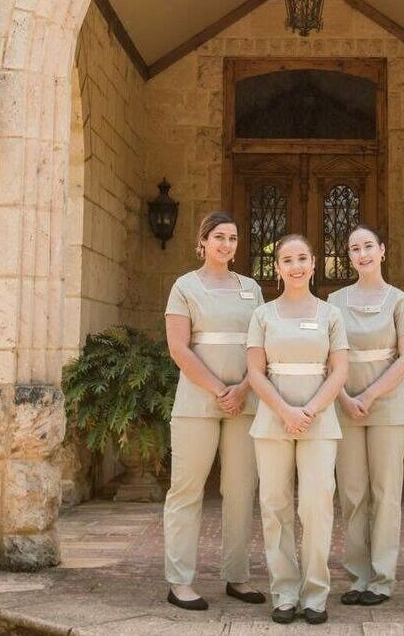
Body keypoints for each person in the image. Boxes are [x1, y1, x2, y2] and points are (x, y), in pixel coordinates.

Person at [162, 211, 266, 611]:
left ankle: (237, 575)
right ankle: (180, 581)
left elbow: (262, 345)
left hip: (245, 401)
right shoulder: (184, 286)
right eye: (219, 236)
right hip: (197, 402)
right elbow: (178, 348)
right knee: (186, 491)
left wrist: (242, 389)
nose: (226, 244)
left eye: (233, 238)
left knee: (240, 491)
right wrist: (219, 389)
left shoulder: (251, 288)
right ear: (203, 241)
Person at [246, 233, 349, 625]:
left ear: (313, 263)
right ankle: (284, 593)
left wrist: (308, 410)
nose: (296, 266)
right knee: (274, 506)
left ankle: (315, 594)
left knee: (317, 506)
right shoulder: (262, 315)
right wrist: (285, 411)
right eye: (287, 260)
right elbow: (255, 372)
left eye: (302, 258)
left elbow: (339, 371)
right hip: (272, 420)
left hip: (318, 422)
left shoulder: (331, 315)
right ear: (277, 267)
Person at [329, 225, 404, 607]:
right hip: (345, 405)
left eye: (368, 246)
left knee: (386, 493)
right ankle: (358, 577)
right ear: (349, 256)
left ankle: (382, 579)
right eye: (355, 249)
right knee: (352, 494)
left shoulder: (399, 300)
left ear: (382, 250)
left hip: (388, 407)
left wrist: (369, 394)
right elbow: (328, 355)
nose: (362, 254)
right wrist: (345, 397)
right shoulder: (334, 301)